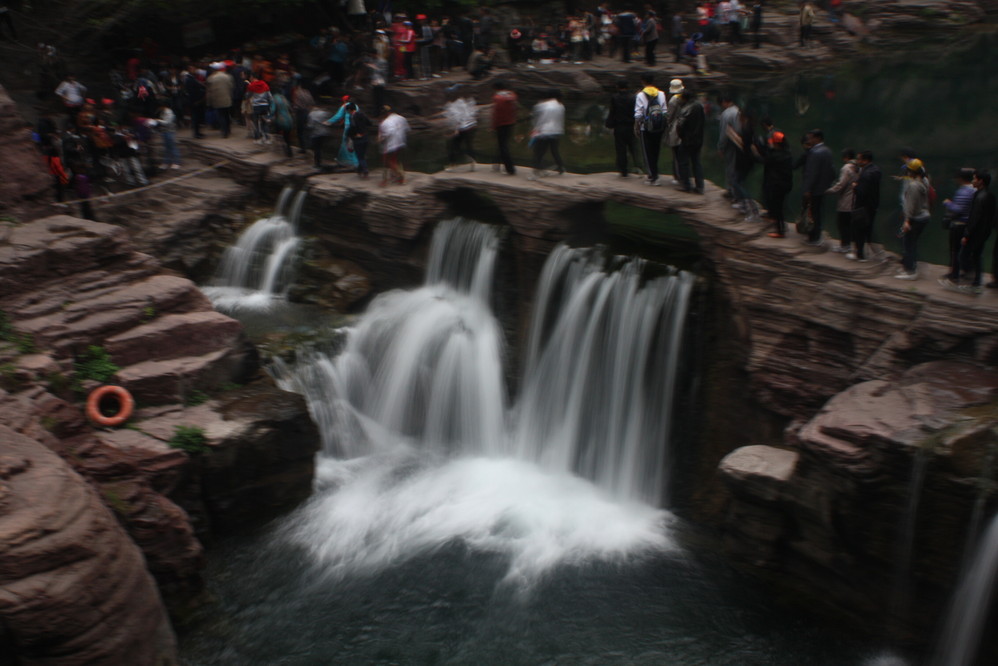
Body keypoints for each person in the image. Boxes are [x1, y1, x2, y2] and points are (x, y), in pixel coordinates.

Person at [952, 170, 995, 293]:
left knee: (964, 255)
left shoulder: (980, 196)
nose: (972, 181)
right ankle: (977, 281)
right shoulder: (989, 195)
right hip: (984, 232)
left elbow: (975, 217)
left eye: (974, 179)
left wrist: (967, 234)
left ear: (980, 181)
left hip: (976, 232)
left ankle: (972, 281)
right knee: (977, 256)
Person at [895, 158, 930, 280]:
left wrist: (907, 221)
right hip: (924, 216)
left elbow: (910, 205)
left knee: (908, 244)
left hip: (915, 218)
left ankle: (910, 271)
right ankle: (911, 266)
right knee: (913, 243)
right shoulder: (924, 181)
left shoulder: (913, 186)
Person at [941, 168, 976, 284]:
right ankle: (967, 270)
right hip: (969, 224)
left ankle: (954, 274)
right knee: (965, 250)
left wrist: (948, 203)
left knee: (955, 250)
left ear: (960, 179)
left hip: (959, 224)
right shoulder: (974, 190)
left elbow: (958, 209)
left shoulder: (963, 191)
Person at [801, 129, 835, 245]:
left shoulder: (815, 153)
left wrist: (807, 189)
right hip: (823, 187)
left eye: (811, 138)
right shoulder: (827, 151)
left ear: (817, 138)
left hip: (814, 188)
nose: (809, 140)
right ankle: (818, 235)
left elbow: (812, 173)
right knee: (819, 212)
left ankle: (813, 237)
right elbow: (831, 171)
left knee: (813, 212)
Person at [848, 150, 882, 261]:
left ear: (865, 160)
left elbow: (862, 192)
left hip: (862, 206)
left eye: (859, 159)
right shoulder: (876, 170)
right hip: (873, 205)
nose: (857, 161)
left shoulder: (866, 174)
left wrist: (855, 186)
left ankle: (860, 255)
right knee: (868, 228)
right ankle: (874, 252)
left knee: (859, 230)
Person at [634, 73, 666, 186]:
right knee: (656, 151)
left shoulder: (640, 95)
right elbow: (664, 111)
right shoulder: (661, 94)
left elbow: (638, 114)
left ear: (643, 81)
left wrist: (637, 127)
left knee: (647, 152)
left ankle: (652, 176)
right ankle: (655, 173)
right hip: (658, 127)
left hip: (646, 127)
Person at [759, 131, 793, 237]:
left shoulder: (775, 156)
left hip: (777, 185)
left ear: (777, 143)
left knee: (777, 207)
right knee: (780, 206)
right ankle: (780, 225)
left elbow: (764, 160)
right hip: (786, 184)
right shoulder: (787, 154)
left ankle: (780, 231)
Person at [606, 78, 641, 178]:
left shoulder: (615, 98)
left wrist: (609, 124)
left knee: (621, 149)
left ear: (618, 87)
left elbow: (612, 112)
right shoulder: (633, 98)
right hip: (631, 126)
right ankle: (638, 166)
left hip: (619, 126)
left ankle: (623, 170)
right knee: (633, 147)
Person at [825, 148, 859, 253]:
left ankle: (845, 245)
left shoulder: (846, 168)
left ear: (846, 157)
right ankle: (849, 245)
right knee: (849, 224)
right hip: (855, 200)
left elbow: (841, 185)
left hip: (845, 201)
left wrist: (828, 191)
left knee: (842, 224)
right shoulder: (859, 167)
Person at [528, 89, 565, 181]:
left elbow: (539, 120)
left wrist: (535, 130)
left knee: (539, 152)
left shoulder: (541, 105)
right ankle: (561, 167)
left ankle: (538, 171)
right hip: (556, 131)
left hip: (543, 131)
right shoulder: (561, 106)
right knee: (554, 151)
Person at [675, 86, 706, 194]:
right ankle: (700, 186)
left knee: (683, 162)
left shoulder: (686, 108)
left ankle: (686, 185)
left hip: (687, 140)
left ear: (684, 98)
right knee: (696, 162)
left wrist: (681, 136)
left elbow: (680, 125)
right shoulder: (699, 106)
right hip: (698, 139)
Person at [444, 87, 477, 171]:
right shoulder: (462, 101)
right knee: (468, 145)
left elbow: (457, 118)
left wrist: (456, 129)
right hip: (471, 126)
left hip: (462, 127)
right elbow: (470, 112)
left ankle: (453, 165)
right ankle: (472, 162)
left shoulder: (452, 105)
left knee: (453, 146)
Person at [717, 93, 741, 203]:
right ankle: (733, 191)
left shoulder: (726, 114)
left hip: (730, 143)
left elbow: (724, 133)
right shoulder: (738, 111)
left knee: (730, 168)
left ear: (724, 102)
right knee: (736, 167)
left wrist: (721, 147)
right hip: (740, 142)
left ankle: (733, 193)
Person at [491, 80, 518, 176]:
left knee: (503, 146)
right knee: (503, 144)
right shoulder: (511, 95)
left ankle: (510, 169)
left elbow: (497, 113)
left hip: (501, 124)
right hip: (510, 122)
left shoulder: (497, 98)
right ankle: (497, 163)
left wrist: (494, 125)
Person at [378, 105, 409, 186]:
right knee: (396, 160)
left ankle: (399, 176)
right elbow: (407, 129)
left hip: (390, 144)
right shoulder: (401, 118)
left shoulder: (385, 122)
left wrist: (381, 138)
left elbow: (388, 133)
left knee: (388, 161)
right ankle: (395, 176)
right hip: (401, 142)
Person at [327, 96, 360, 169]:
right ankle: (355, 161)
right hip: (356, 128)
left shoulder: (344, 106)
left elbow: (337, 116)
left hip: (348, 127)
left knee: (345, 144)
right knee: (353, 144)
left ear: (344, 101)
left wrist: (328, 122)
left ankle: (346, 161)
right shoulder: (356, 106)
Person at [206, 63, 234, 138]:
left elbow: (209, 91)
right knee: (227, 114)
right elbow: (231, 87)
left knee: (221, 115)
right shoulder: (227, 76)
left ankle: (224, 131)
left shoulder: (211, 78)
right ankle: (228, 129)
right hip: (227, 98)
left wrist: (209, 101)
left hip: (217, 99)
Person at [345, 103, 372, 179]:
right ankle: (359, 170)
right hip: (366, 136)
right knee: (362, 155)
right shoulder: (362, 114)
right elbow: (369, 123)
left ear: (350, 110)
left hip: (358, 138)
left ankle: (365, 170)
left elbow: (352, 127)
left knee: (360, 156)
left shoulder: (352, 117)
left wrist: (350, 135)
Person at [154, 101, 180, 169]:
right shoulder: (162, 112)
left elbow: (167, 122)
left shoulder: (168, 112)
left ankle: (176, 162)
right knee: (166, 147)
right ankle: (166, 162)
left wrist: (158, 121)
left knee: (172, 146)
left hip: (169, 131)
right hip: (164, 131)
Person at [247, 78, 273, 144]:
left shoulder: (252, 86)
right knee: (264, 122)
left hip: (256, 106)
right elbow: (270, 97)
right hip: (265, 106)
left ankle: (257, 139)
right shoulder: (265, 85)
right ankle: (266, 138)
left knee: (256, 123)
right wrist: (269, 106)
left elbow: (248, 96)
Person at [307, 103, 332, 170]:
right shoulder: (325, 113)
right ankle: (322, 161)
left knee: (316, 149)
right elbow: (329, 122)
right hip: (325, 133)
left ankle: (317, 164)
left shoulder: (311, 114)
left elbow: (310, 126)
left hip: (316, 134)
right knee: (320, 148)